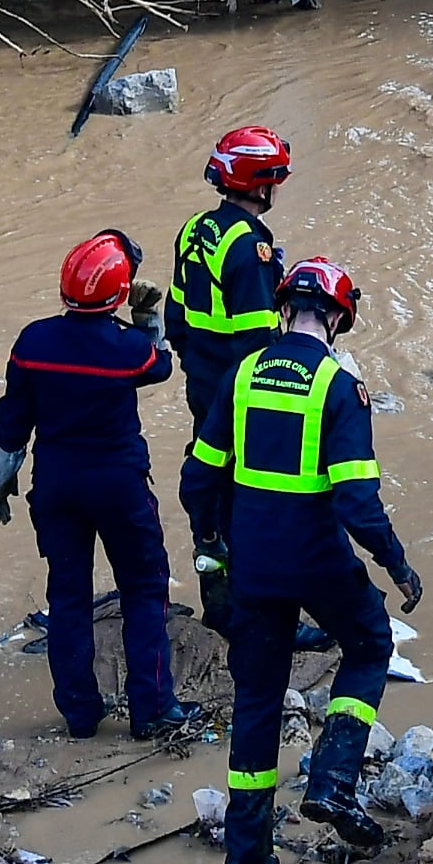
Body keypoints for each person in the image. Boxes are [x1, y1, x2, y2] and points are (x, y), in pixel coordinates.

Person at [179, 259, 420, 864]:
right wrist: (397, 565)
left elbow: (198, 477)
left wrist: (209, 545)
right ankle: (333, 780)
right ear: (339, 317)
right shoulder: (340, 388)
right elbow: (357, 503)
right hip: (317, 560)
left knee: (257, 700)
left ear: (285, 309)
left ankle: (247, 857)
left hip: (253, 565)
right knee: (369, 643)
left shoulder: (242, 375)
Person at [0, 231, 204, 743]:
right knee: (144, 592)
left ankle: (80, 716)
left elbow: (13, 421)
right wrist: (149, 318)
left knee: (67, 597)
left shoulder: (32, 342)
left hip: (57, 485)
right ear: (118, 294)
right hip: (119, 486)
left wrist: (1, 483)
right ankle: (152, 710)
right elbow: (160, 366)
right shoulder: (125, 348)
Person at [168, 126, 290, 603]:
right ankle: (250, 610)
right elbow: (260, 340)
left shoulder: (196, 228)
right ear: (260, 186)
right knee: (249, 499)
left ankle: (218, 601)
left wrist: (196, 364)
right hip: (238, 392)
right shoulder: (249, 249)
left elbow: (176, 315)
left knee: (211, 487)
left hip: (202, 382)